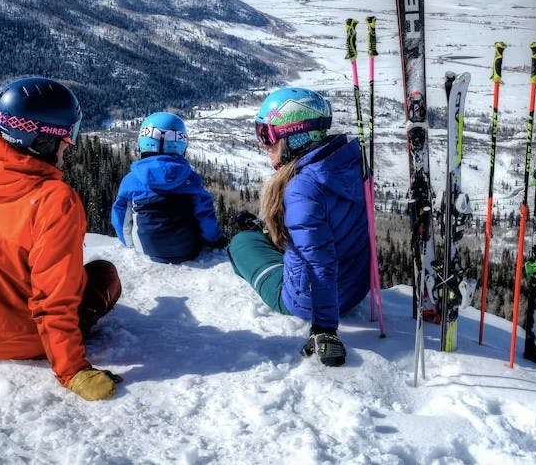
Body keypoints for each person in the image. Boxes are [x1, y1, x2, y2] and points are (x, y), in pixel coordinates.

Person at [0, 77, 123, 401]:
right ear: (40, 142)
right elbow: (53, 299)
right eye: (66, 136)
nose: (69, 145)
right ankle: (55, 348)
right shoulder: (55, 201)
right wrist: (72, 370)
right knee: (104, 276)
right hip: (25, 339)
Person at [228, 87, 370, 367]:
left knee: (241, 243)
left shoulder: (303, 189)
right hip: (355, 287)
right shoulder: (351, 163)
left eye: (267, 136)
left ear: (294, 135)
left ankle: (250, 241)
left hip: (310, 300)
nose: (263, 145)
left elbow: (319, 263)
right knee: (274, 237)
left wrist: (324, 329)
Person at [111, 111, 226, 264]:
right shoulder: (191, 179)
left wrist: (129, 244)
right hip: (189, 250)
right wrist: (215, 240)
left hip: (145, 249)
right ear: (181, 143)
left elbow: (121, 217)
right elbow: (205, 216)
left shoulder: (131, 180)